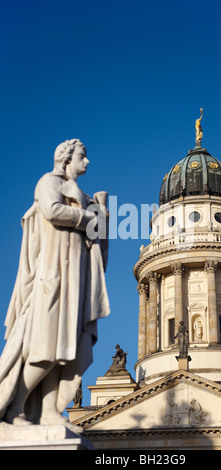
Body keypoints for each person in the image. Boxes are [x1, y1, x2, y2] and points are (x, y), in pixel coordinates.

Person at [0, 139, 110, 426]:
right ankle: (15, 409)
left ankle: (49, 411)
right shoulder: (49, 182)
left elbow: (99, 249)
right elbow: (52, 211)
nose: (87, 162)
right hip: (53, 275)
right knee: (46, 346)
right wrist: (88, 216)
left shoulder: (86, 197)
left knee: (66, 350)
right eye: (82, 157)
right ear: (66, 159)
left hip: (77, 281)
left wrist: (102, 214)